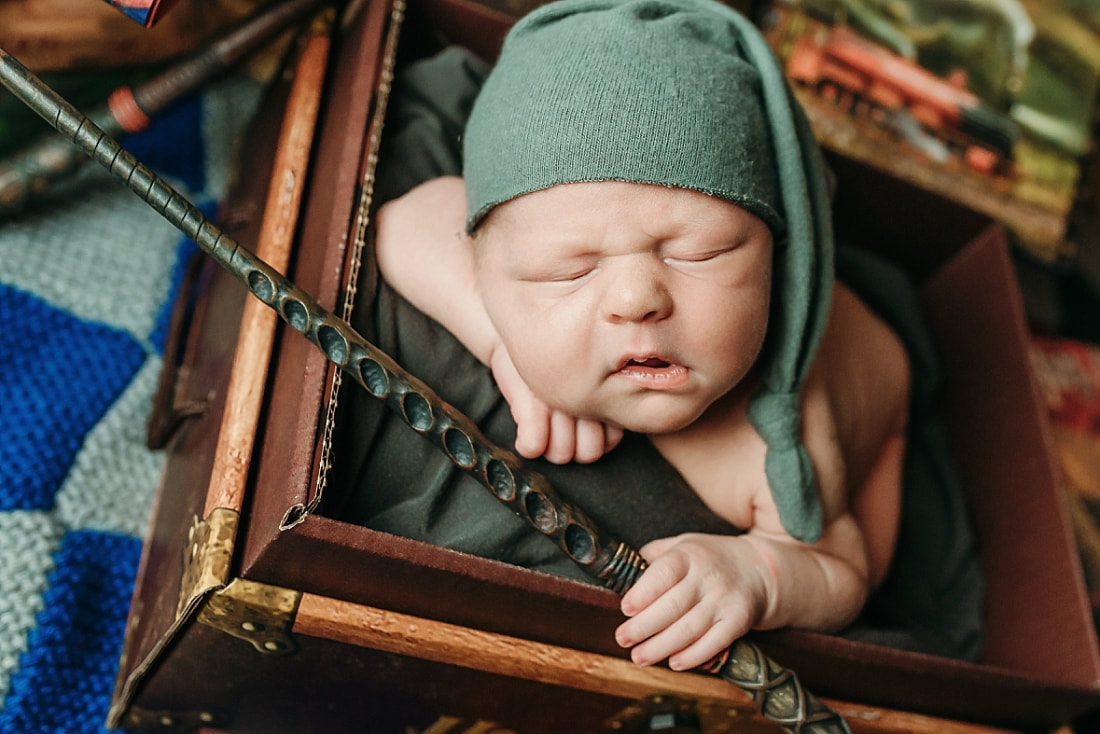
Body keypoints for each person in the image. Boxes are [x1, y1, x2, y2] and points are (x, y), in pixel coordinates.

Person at [370, 0, 912, 673]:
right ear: (483, 260)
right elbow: (403, 220)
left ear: (778, 250)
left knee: (883, 572)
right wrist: (502, 344)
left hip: (883, 404)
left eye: (701, 253)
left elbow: (841, 567)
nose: (636, 299)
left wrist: (758, 573)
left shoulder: (773, 447)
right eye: (567, 271)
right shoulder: (501, 249)